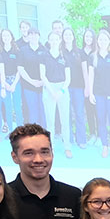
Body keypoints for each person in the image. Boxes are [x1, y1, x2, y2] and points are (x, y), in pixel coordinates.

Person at [87, 29, 110, 160]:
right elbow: (90, 76)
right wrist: (91, 93)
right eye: (100, 39)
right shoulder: (93, 57)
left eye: (105, 39)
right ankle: (105, 146)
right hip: (99, 94)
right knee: (101, 121)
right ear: (98, 41)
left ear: (109, 41)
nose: (103, 41)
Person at [38, 30, 72, 159]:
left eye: (56, 39)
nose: (54, 41)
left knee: (65, 121)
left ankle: (67, 147)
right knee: (50, 122)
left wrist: (61, 91)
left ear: (59, 41)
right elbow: (42, 75)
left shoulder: (65, 57)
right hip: (48, 89)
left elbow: (68, 79)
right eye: (51, 39)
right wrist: (52, 91)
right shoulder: (44, 56)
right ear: (49, 41)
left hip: (62, 89)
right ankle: (49, 148)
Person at [63, 27, 88, 151]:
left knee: (79, 114)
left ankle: (81, 139)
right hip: (65, 87)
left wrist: (87, 86)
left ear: (73, 37)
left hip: (78, 87)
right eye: (65, 35)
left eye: (69, 35)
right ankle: (69, 139)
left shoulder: (80, 52)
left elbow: (85, 70)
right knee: (66, 114)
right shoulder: (60, 51)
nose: (67, 37)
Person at [16, 28, 45, 126]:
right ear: (28, 36)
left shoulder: (44, 50)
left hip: (42, 85)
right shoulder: (23, 50)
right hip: (29, 86)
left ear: (39, 36)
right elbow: (20, 68)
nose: (33, 36)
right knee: (32, 111)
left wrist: (42, 81)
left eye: (36, 34)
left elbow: (48, 68)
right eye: (31, 34)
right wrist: (32, 81)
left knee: (43, 110)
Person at [0, 29, 23, 136]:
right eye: (3, 36)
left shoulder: (17, 51)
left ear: (11, 37)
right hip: (5, 81)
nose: (6, 38)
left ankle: (20, 131)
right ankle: (10, 131)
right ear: (1, 38)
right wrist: (5, 84)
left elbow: (19, 70)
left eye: (7, 35)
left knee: (17, 107)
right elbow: (1, 70)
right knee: (7, 107)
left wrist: (13, 84)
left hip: (16, 81)